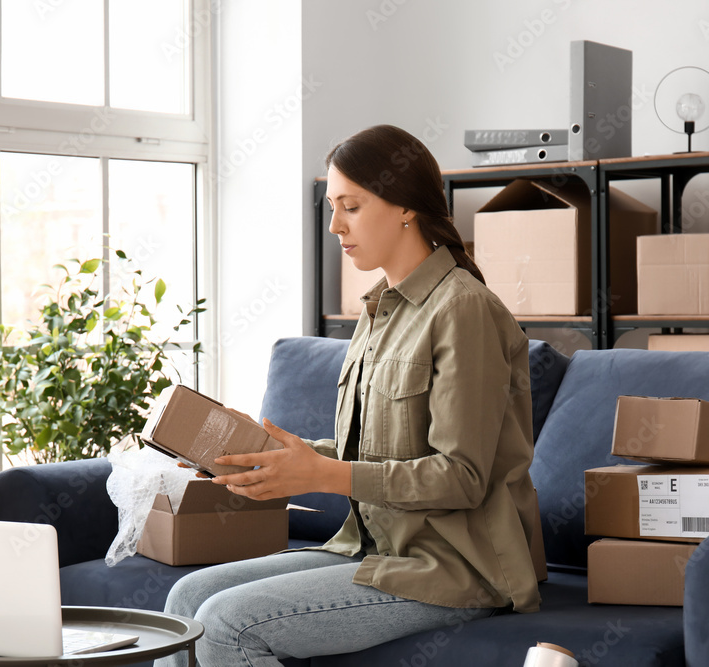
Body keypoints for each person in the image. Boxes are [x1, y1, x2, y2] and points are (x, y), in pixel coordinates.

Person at [156, 124, 540, 666]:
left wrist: (321, 475)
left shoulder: (463, 310)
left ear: (405, 206)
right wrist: (273, 457)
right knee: (184, 602)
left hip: (453, 568)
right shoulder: (379, 307)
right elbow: (378, 453)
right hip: (370, 547)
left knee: (226, 625)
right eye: (332, 207)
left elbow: (463, 477)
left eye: (351, 207)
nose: (334, 226)